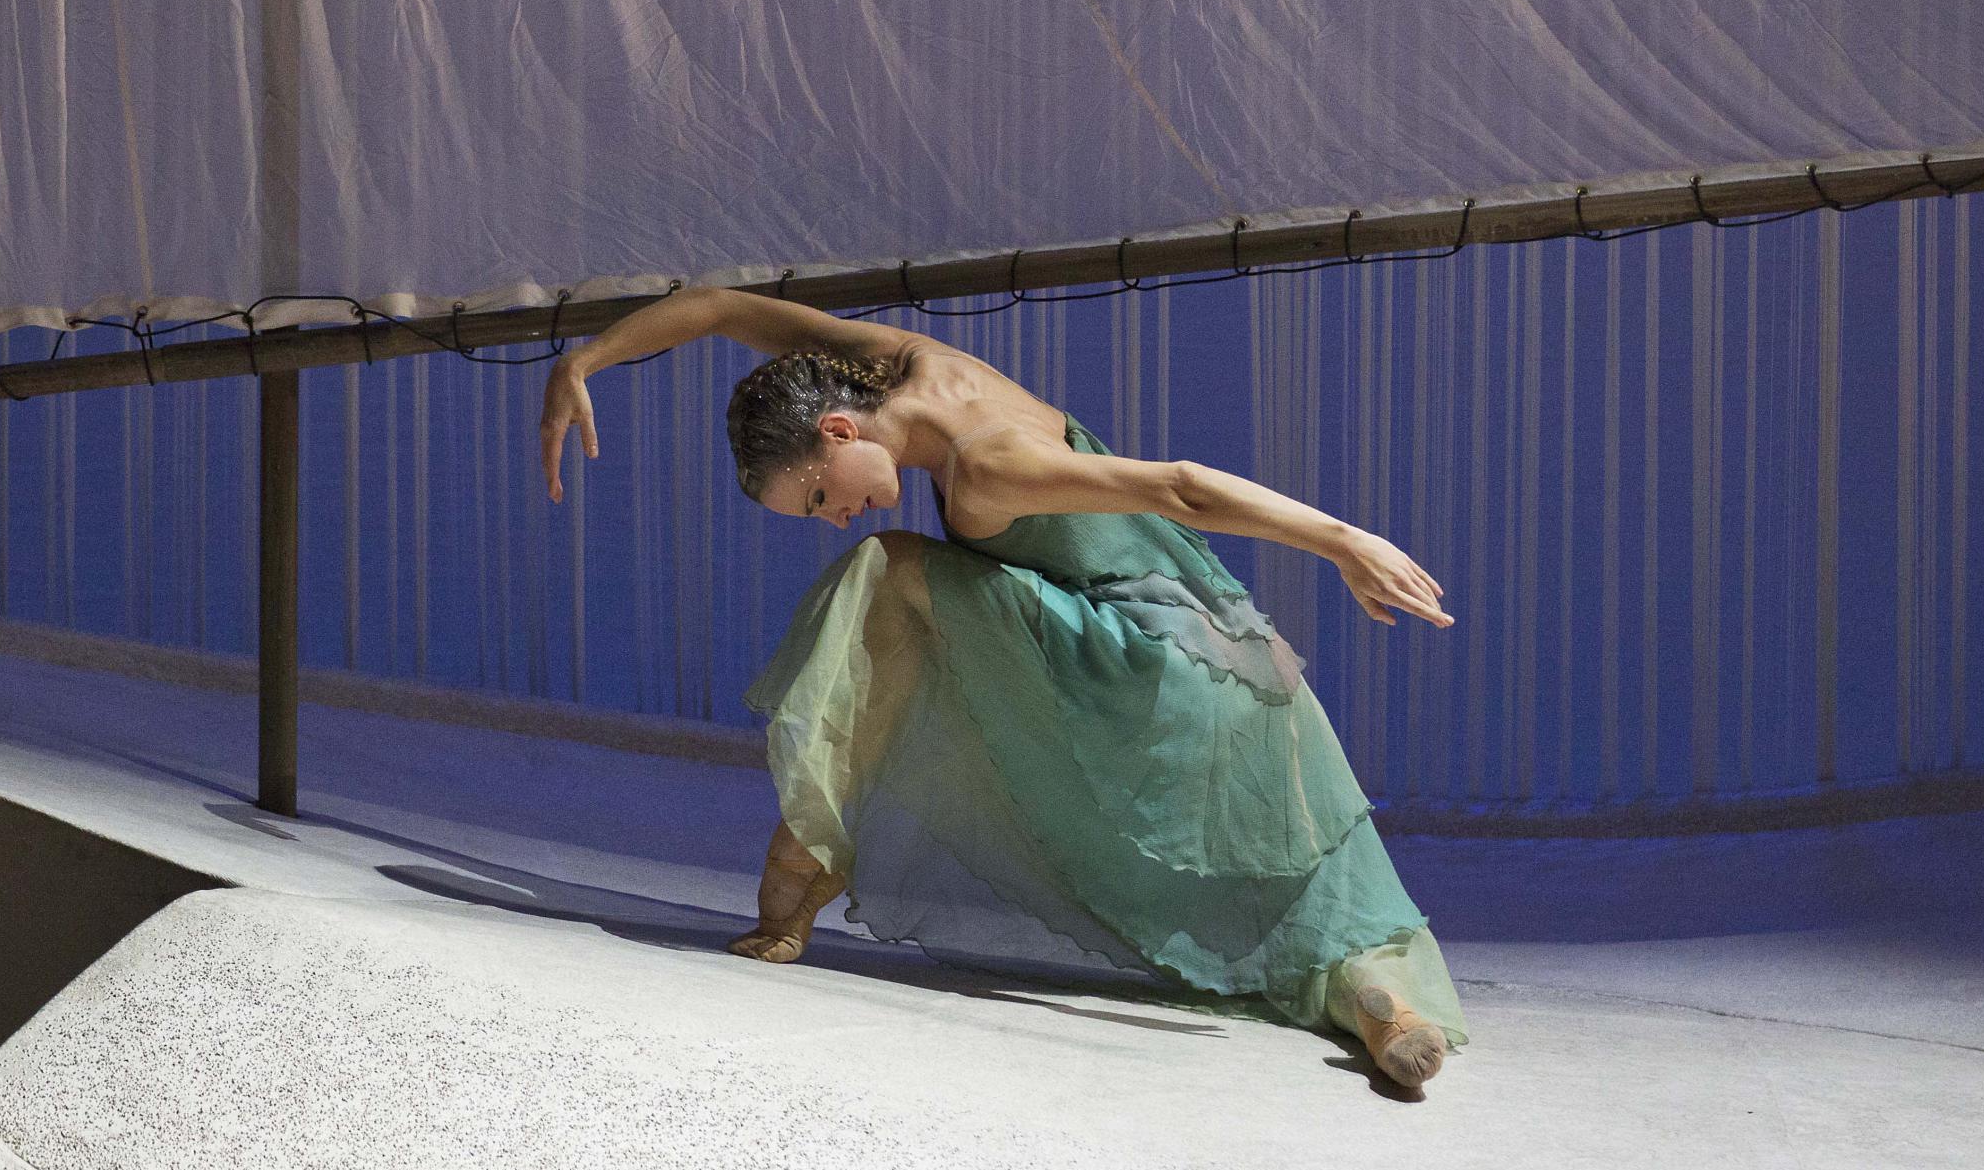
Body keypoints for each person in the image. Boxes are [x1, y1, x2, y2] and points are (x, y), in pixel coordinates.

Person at [539, 284, 1468, 1090]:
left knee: (885, 569)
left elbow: (1180, 486)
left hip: (1154, 677)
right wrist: (582, 360)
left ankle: (807, 854)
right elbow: (720, 309)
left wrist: (1347, 541)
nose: (830, 516)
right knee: (1314, 908)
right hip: (1236, 670)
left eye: (819, 495)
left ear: (837, 428)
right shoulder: (902, 362)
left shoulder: (982, 467)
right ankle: (1378, 1002)